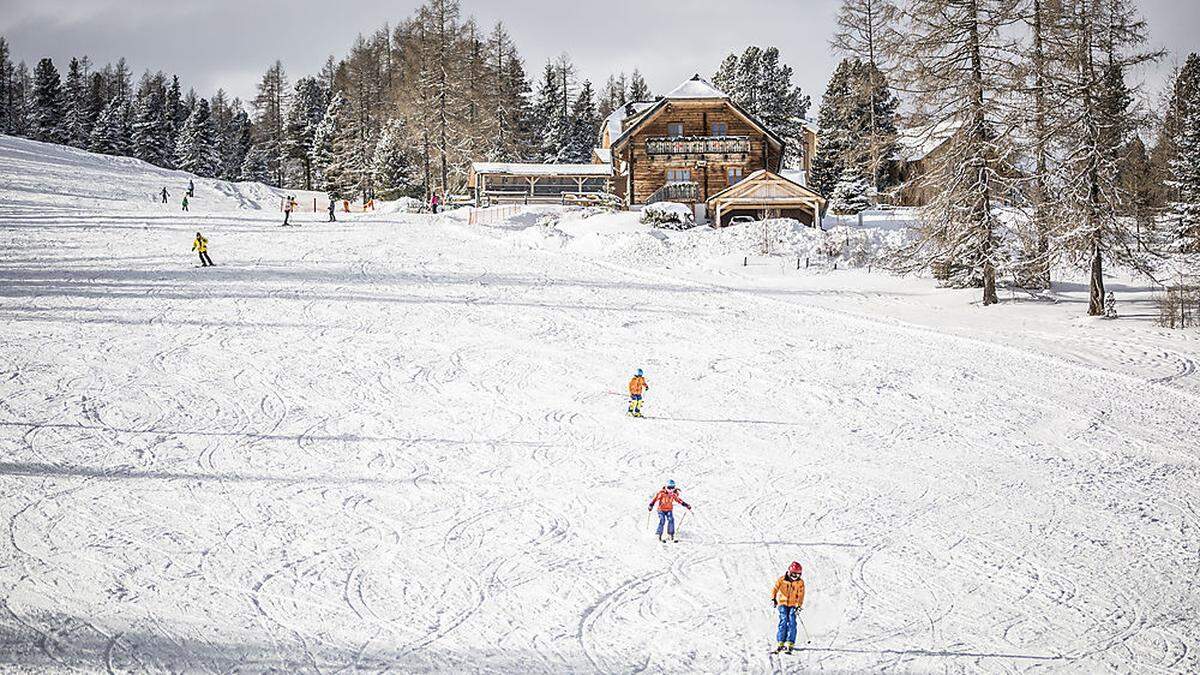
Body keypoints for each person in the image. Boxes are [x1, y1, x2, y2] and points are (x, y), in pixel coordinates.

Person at [771, 562, 806, 654]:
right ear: (789, 572)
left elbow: (801, 595)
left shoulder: (800, 582)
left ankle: (790, 642)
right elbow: (775, 588)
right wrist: (773, 598)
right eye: (794, 574)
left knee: (792, 621)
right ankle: (781, 641)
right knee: (783, 620)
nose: (795, 577)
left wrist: (799, 605)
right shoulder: (782, 580)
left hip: (793, 604)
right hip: (782, 603)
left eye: (798, 575)